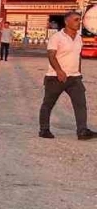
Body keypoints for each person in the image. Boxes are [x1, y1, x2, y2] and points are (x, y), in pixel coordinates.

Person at [39, 11, 94, 140]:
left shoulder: (79, 38)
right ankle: (44, 130)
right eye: (75, 20)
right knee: (48, 104)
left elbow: (78, 56)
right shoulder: (57, 37)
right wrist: (59, 71)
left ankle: (82, 131)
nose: (79, 22)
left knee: (80, 103)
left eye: (79, 20)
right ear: (66, 21)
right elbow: (51, 55)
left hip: (74, 77)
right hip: (55, 77)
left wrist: (79, 72)